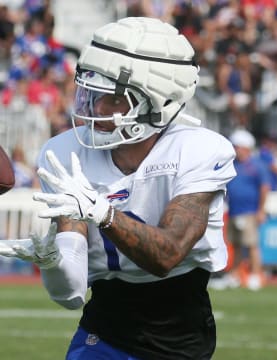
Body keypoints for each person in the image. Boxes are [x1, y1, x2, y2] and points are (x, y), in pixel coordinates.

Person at [0, 17, 236, 360]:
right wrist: (52, 264)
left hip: (182, 334)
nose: (96, 108)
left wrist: (102, 211)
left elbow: (167, 255)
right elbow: (71, 295)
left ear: (157, 102)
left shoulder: (198, 150)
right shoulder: (65, 152)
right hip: (105, 326)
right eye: (91, 94)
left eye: (112, 98)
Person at [209, 129, 270, 291]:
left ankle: (256, 274)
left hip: (249, 211)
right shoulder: (233, 164)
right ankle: (235, 275)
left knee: (251, 245)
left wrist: (261, 210)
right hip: (234, 210)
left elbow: (264, 188)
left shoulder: (256, 165)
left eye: (238, 147)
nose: (236, 150)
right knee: (235, 245)